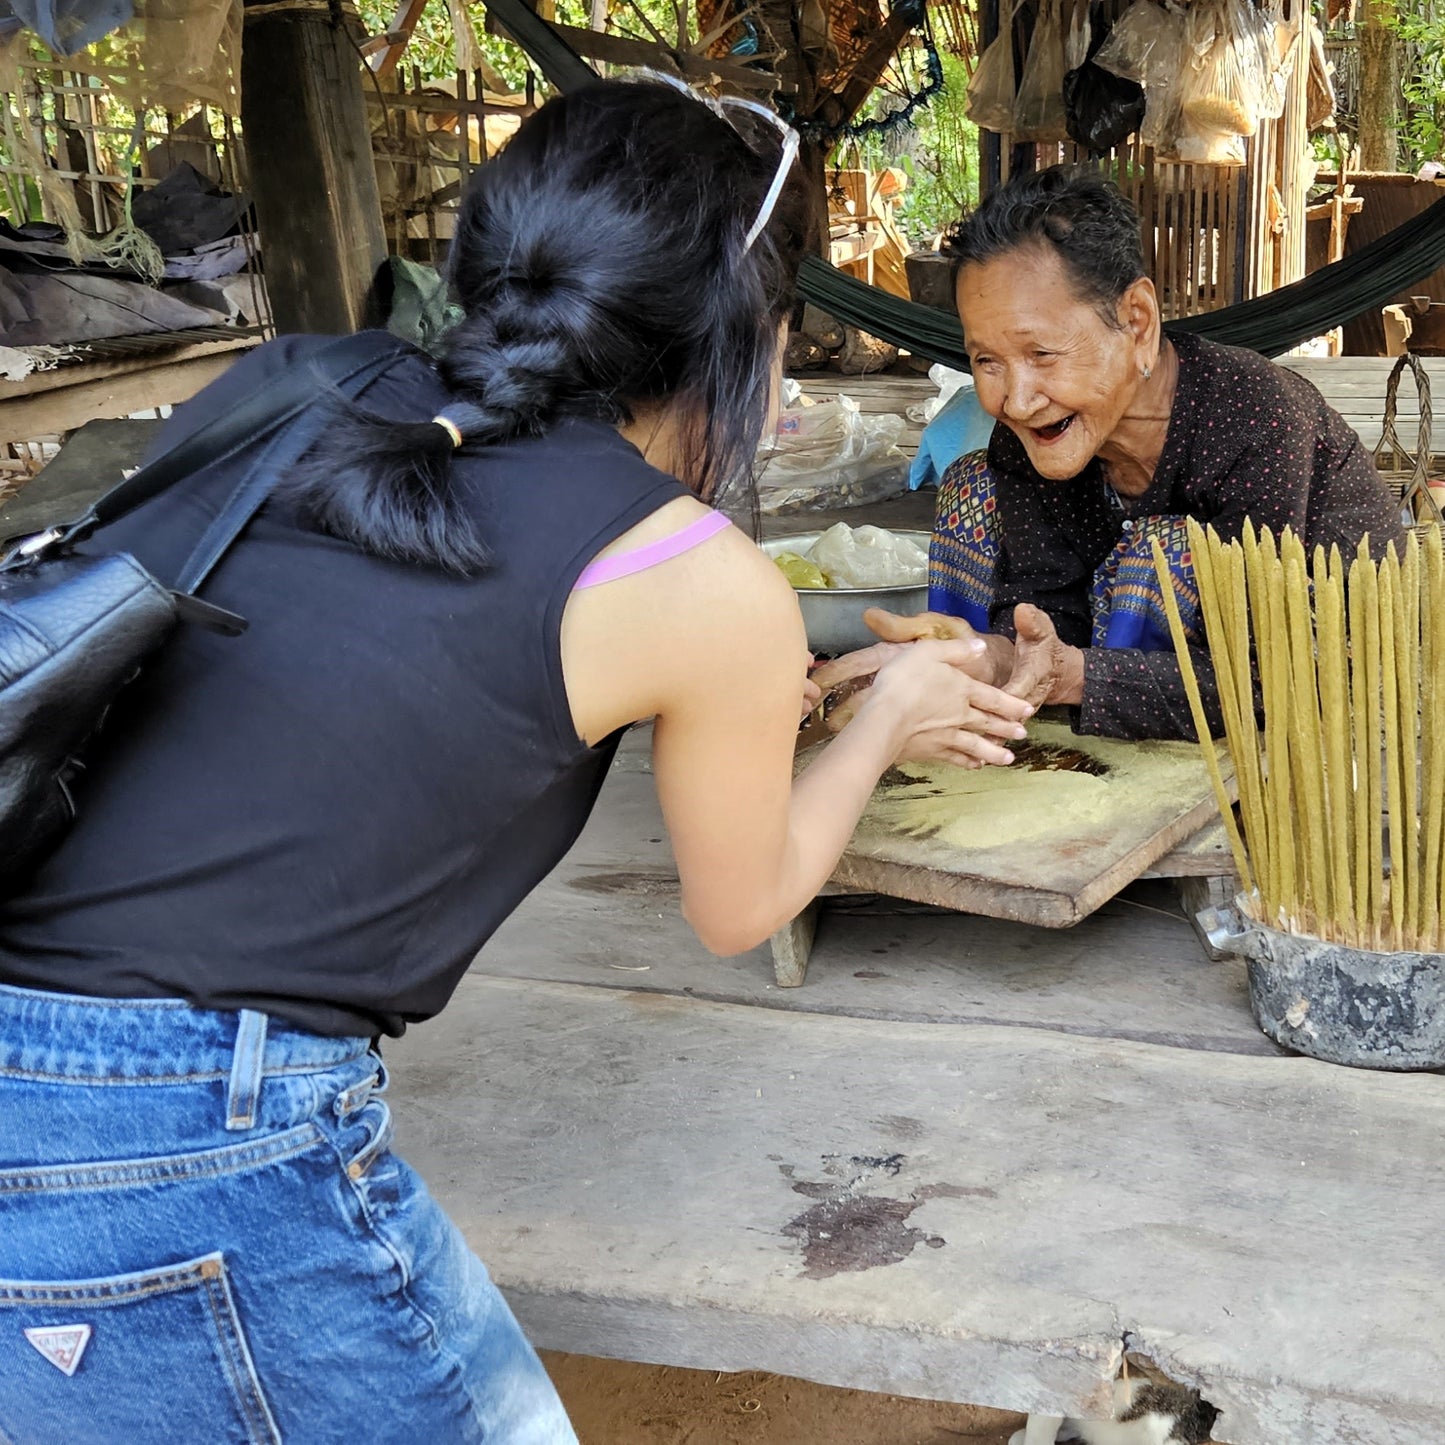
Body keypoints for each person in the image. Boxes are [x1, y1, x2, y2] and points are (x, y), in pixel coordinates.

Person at [0, 78, 1035, 1444]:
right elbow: (742, 901)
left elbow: (370, 665)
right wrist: (897, 704)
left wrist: (768, 692)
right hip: (185, 1134)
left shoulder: (310, 380)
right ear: (745, 341)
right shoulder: (690, 572)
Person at [892, 165, 1405, 742]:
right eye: (986, 361)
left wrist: (1076, 677)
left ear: (1136, 322)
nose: (1013, 398)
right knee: (970, 485)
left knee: (1166, 553)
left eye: (1041, 353)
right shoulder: (1026, 433)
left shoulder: (1255, 418)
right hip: (1137, 676)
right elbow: (1044, 614)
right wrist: (992, 655)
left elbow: (1274, 676)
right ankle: (964, 695)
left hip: (1333, 690)